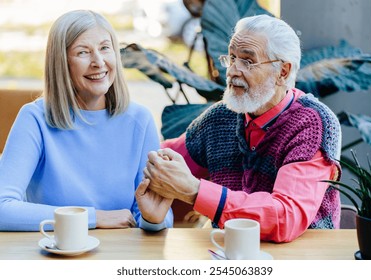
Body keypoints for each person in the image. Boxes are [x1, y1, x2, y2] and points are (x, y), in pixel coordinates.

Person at [141, 14, 342, 243]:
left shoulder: (312, 123)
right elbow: (161, 160)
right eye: (232, 58)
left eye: (247, 61)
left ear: (282, 72)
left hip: (300, 259)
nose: (232, 71)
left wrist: (195, 192)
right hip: (227, 254)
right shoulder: (221, 116)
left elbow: (285, 217)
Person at [0, 10, 173, 231]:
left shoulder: (140, 120)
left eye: (104, 48)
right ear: (61, 62)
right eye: (83, 52)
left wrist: (152, 219)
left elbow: (156, 216)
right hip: (53, 254)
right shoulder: (35, 119)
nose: (98, 62)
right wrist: (93, 218)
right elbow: (2, 208)